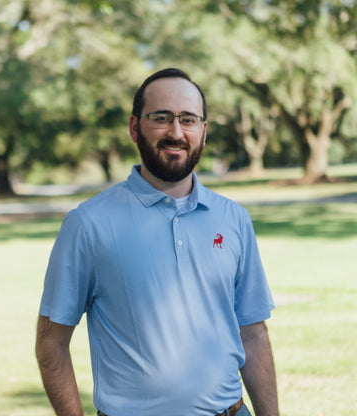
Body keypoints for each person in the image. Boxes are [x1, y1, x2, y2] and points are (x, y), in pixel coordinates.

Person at [36, 68, 279, 416]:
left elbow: (253, 335)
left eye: (188, 120)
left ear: (204, 131)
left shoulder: (234, 219)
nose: (176, 132)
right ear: (135, 128)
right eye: (161, 118)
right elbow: (51, 342)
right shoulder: (88, 224)